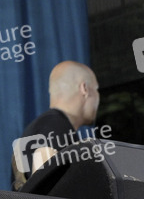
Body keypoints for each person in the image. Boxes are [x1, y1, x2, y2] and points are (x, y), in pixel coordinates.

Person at [11, 61, 100, 191]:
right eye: (96, 89)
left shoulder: (45, 126)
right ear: (84, 89)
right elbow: (45, 188)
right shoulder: (55, 127)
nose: (98, 97)